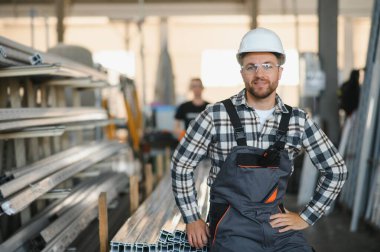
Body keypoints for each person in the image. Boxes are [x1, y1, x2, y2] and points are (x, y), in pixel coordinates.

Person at [171, 27, 348, 251]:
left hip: (277, 225)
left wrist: (306, 217)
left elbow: (337, 169)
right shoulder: (215, 115)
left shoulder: (297, 120)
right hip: (230, 226)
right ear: (242, 72)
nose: (260, 74)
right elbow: (181, 165)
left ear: (279, 72)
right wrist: (192, 218)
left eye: (267, 66)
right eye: (251, 67)